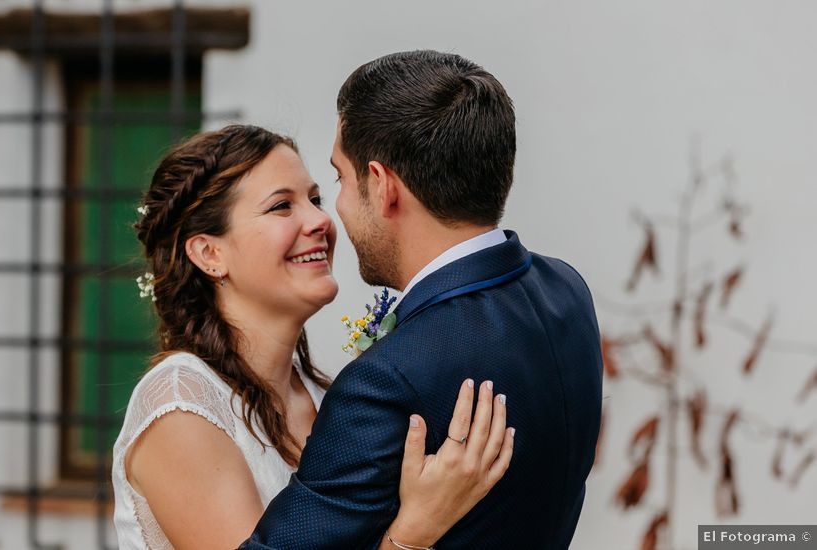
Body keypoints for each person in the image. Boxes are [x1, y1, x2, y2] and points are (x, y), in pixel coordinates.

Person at [239, 50, 603, 549]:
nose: (332, 211)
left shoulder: (387, 380)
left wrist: (407, 538)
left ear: (384, 186)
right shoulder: (567, 292)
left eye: (341, 178)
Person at [112, 124, 516, 550]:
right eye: (282, 206)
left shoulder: (322, 394)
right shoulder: (183, 409)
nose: (321, 220)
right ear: (210, 254)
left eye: (316, 199)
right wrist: (415, 530)